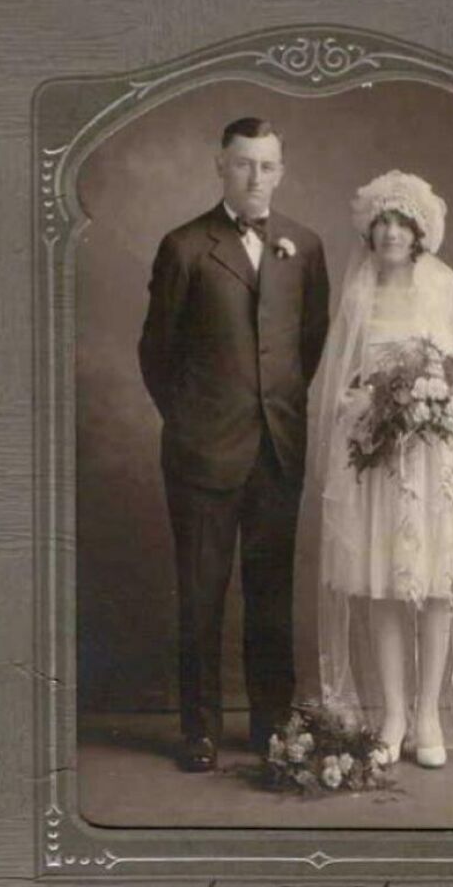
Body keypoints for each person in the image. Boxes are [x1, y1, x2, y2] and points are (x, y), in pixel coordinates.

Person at [301, 170, 453, 779]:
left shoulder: (444, 287)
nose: (391, 231)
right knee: (385, 583)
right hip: (378, 461)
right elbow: (342, 378)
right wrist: (357, 405)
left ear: (421, 233)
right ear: (370, 230)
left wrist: (440, 407)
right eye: (383, 221)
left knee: (435, 584)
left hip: (436, 460)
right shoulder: (359, 291)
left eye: (403, 222)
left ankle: (429, 715)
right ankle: (391, 716)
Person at [139, 117, 330, 772]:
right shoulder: (186, 246)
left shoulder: (304, 245)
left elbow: (310, 343)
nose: (256, 177)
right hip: (203, 453)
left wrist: (273, 412)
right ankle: (200, 730)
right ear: (220, 164)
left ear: (282, 169)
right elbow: (156, 354)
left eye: (268, 165)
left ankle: (274, 726)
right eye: (244, 163)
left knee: (271, 595)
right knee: (201, 595)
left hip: (277, 450)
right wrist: (193, 422)